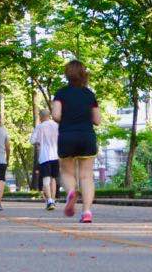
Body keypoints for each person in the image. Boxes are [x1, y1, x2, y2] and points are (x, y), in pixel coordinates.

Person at [52, 60, 101, 224]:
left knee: (67, 172)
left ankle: (72, 192)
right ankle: (87, 212)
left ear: (67, 74)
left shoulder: (61, 93)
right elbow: (97, 120)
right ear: (83, 74)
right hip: (86, 136)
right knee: (86, 176)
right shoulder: (89, 94)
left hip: (67, 136)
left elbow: (56, 116)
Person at [30, 109, 60, 210]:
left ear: (41, 117)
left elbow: (32, 140)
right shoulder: (56, 125)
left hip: (44, 156)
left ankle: (50, 201)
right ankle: (54, 199)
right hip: (56, 156)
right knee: (54, 178)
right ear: (49, 115)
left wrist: (38, 143)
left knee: (46, 179)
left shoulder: (39, 127)